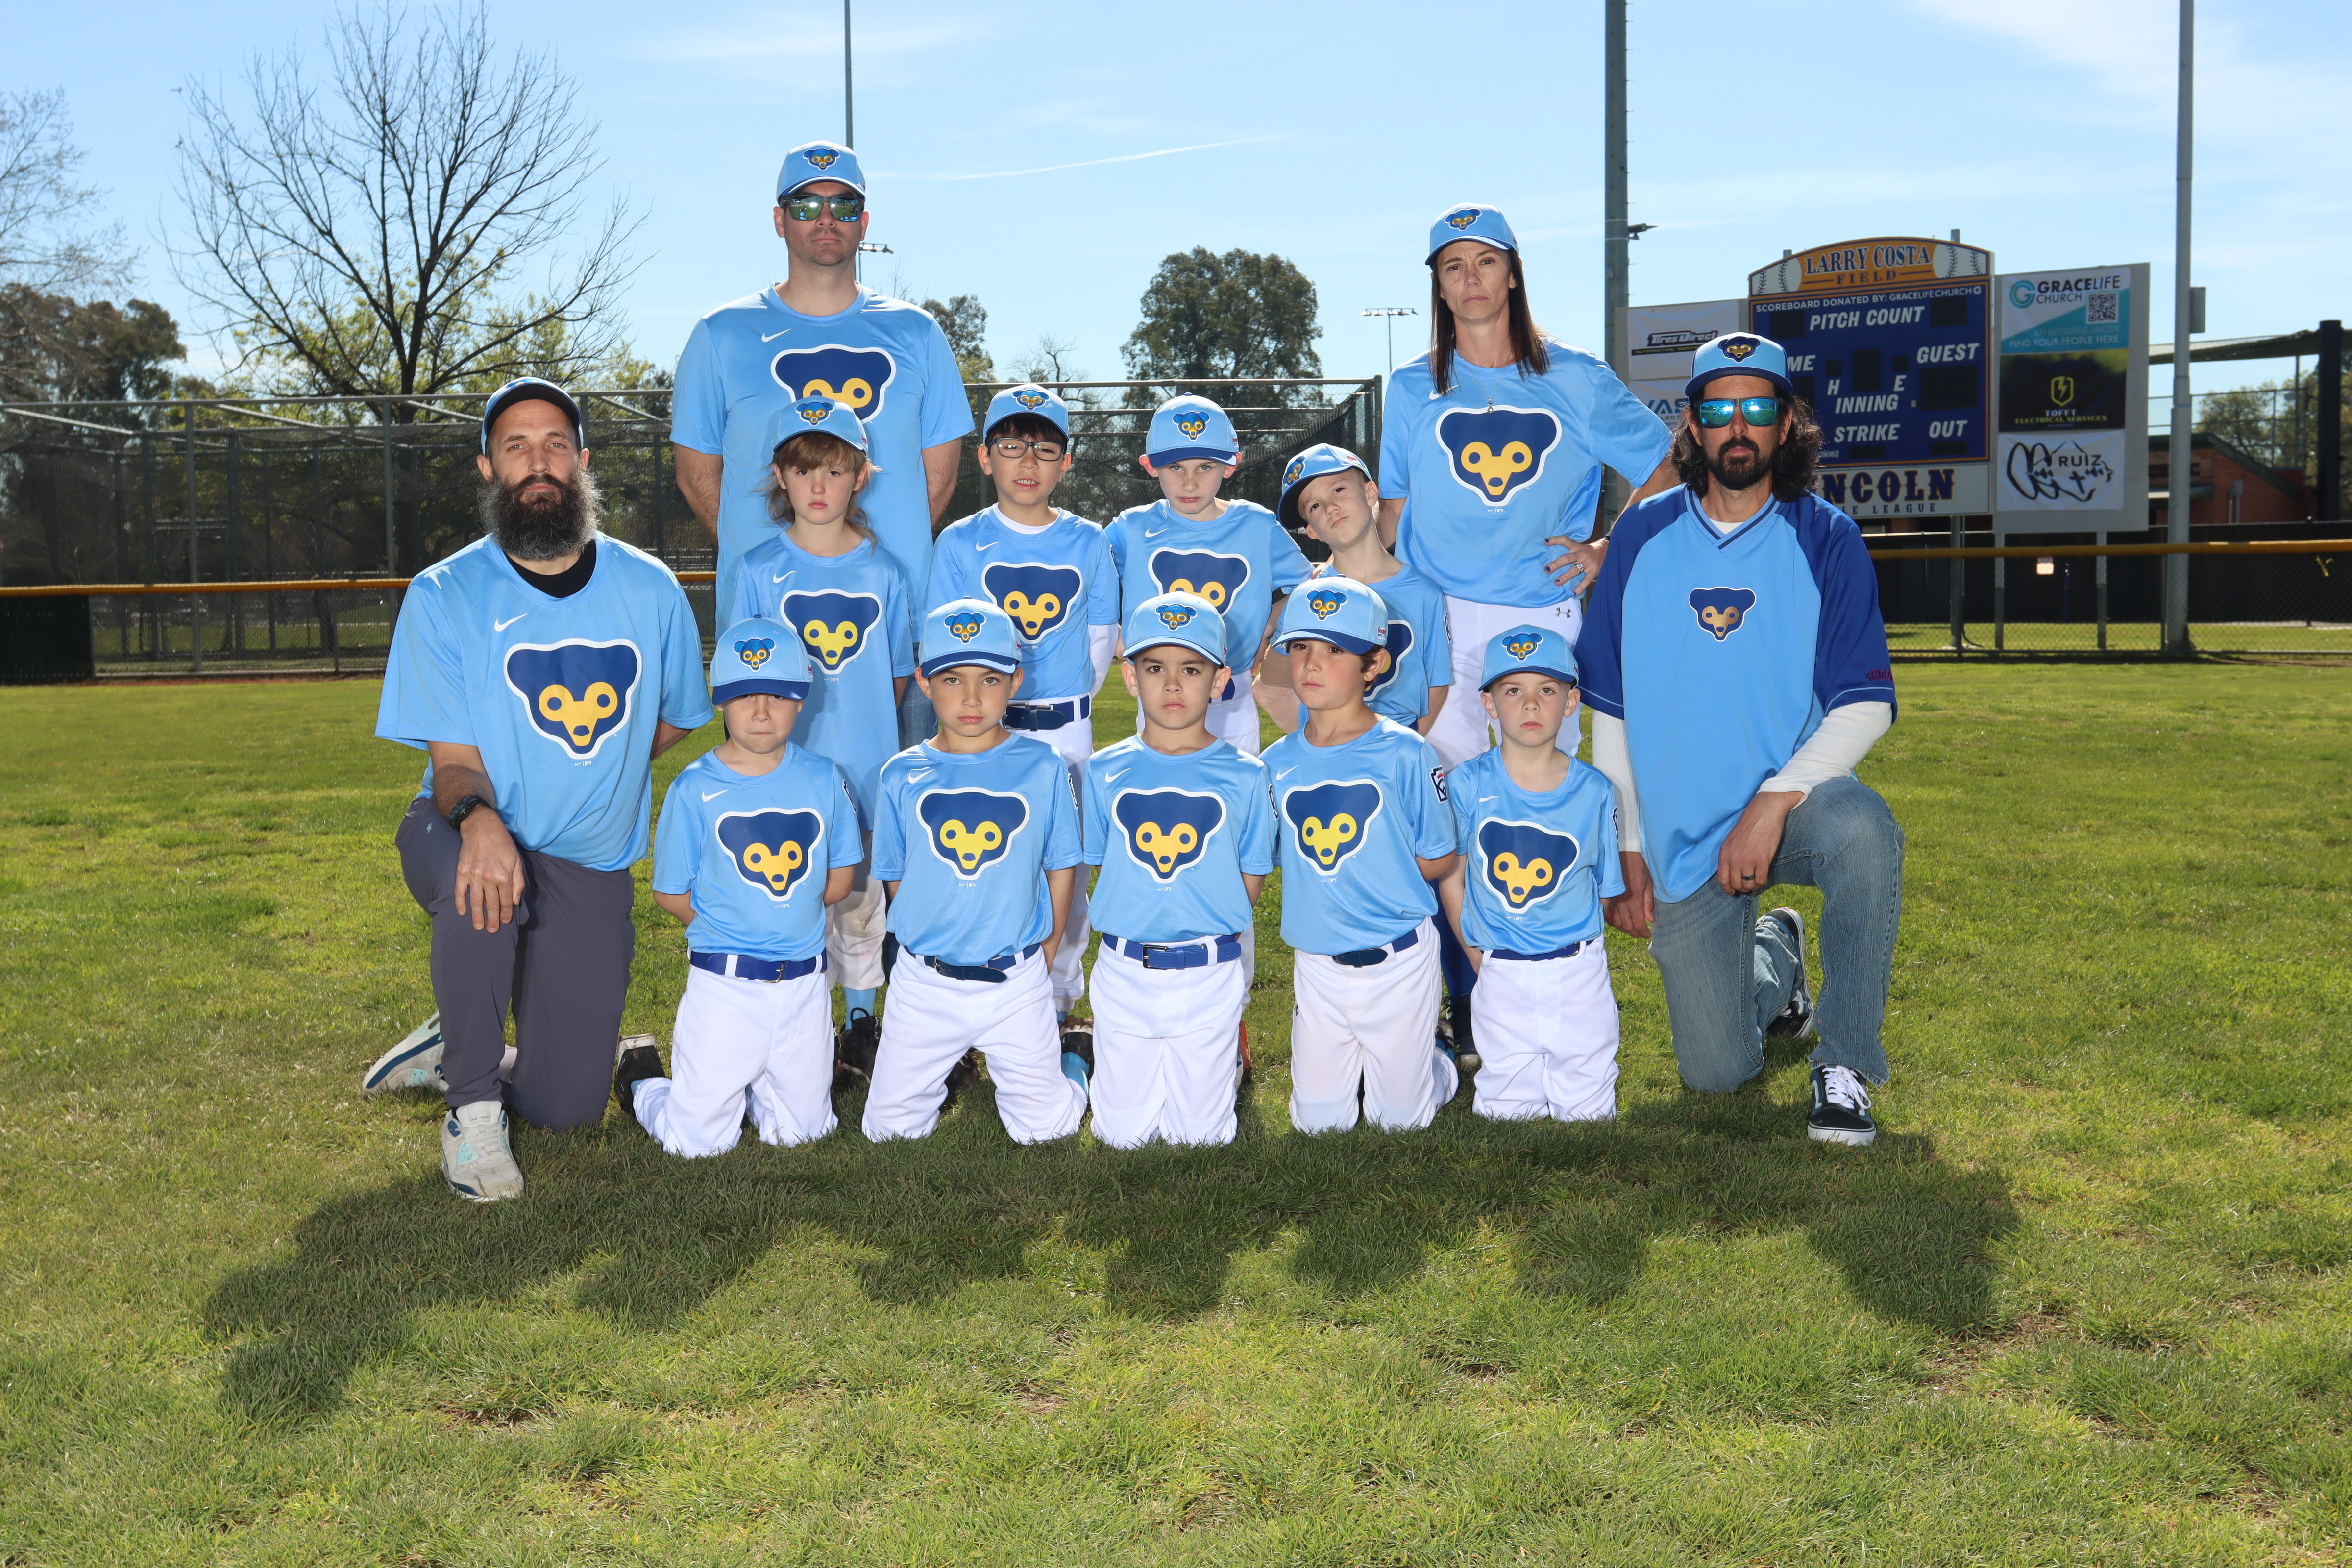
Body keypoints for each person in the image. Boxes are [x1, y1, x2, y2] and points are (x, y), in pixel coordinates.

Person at [369, 378, 710, 1200]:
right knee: (481, 884)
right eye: (516, 447)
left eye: (555, 444)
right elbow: (454, 762)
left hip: (588, 858)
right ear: (489, 467)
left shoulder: (650, 587)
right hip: (460, 826)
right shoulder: (445, 592)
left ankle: (455, 1040)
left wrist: (603, 769)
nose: (539, 462)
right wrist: (480, 820)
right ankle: (473, 1108)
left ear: (582, 460)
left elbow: (675, 716)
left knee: (568, 1107)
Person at [1581, 331, 1903, 1146]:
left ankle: (1845, 1062)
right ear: (1691, 426)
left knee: (1864, 831)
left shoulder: (1826, 538)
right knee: (1717, 1071)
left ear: (1787, 423)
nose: (1738, 427)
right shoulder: (1642, 535)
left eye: (1757, 408)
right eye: (1718, 409)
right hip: (1684, 835)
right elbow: (1610, 704)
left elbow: (1866, 703)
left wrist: (1773, 799)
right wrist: (1627, 844)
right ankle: (1777, 956)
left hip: (1790, 811)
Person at [671, 138, 973, 744]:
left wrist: (860, 562)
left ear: (865, 221)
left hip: (897, 630)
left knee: (900, 801)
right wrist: (786, 561)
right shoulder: (721, 334)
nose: (826, 218)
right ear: (779, 219)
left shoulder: (917, 333)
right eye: (806, 205)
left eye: (844, 204)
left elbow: (937, 479)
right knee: (776, 805)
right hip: (768, 637)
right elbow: (697, 476)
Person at [1377, 202, 1678, 768]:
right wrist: (1338, 567)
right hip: (1435, 613)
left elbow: (1668, 466)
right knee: (1441, 783)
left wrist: (1605, 550)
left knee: (1543, 786)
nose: (1471, 277)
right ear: (1439, 286)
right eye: (1454, 266)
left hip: (1539, 609)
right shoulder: (1412, 385)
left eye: (1486, 261)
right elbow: (1393, 510)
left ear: (1513, 274)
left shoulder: (1577, 377)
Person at [616, 619, 865, 1155]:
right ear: (721, 701)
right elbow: (669, 892)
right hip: (725, 987)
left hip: (803, 986)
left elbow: (840, 879)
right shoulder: (694, 788)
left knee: (803, 1134)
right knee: (697, 1144)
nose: (761, 711)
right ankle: (643, 1082)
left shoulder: (825, 778)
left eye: (778, 695)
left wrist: (780, 907)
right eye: (745, 695)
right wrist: (736, 920)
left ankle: (755, 1087)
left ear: (801, 700)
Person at [723, 395, 914, 1080]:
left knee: (860, 902)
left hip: (865, 768)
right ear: (780, 476)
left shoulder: (886, 572)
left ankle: (860, 1023)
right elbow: (742, 680)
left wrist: (864, 735)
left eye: (835, 470)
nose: (819, 486)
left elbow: (896, 676)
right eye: (803, 470)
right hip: (787, 769)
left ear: (860, 476)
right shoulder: (757, 570)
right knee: (790, 896)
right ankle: (798, 1025)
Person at [860, 599, 1089, 1144]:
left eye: (989, 679)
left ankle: (1077, 1060)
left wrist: (1049, 948)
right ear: (924, 681)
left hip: (1014, 977)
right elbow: (897, 877)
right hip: (925, 981)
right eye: (952, 679)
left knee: (1046, 1131)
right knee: (889, 1131)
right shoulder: (900, 774)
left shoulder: (1042, 766)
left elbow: (1061, 865)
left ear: (1015, 682)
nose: (970, 697)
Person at [927, 384, 1118, 1022]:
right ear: (985, 458)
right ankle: (977, 999)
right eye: (1011, 446)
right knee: (985, 861)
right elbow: (945, 650)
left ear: (1066, 463)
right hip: (985, 729)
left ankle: (1059, 1003)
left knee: (1069, 867)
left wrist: (1059, 703)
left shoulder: (1089, 541)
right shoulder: (960, 542)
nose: (1028, 462)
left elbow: (1098, 645)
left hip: (1066, 732)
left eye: (1045, 449)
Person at [1262, 577, 1462, 1133]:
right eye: (1301, 647)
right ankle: (1380, 1067)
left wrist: (1376, 870)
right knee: (1318, 1125)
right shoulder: (1275, 763)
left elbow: (1439, 859)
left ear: (1374, 664)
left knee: (1400, 1122)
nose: (1312, 664)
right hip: (1318, 962)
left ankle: (1439, 1061)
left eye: (1335, 650)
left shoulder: (1407, 752)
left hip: (1398, 958)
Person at [1081, 592, 1275, 1149]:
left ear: (1219, 681)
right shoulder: (1103, 769)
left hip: (1208, 970)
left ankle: (1225, 1056)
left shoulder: (1246, 774)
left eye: (1191, 669)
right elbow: (1101, 865)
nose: (1172, 685)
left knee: (1202, 1137)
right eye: (1154, 668)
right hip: (1125, 969)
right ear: (1130, 677)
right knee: (1121, 1136)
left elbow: (1250, 880)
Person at [1435, 626, 1624, 1123]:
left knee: (1588, 1112)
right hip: (1500, 966)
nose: (1531, 704)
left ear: (1571, 701)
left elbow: (1603, 889)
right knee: (1506, 1110)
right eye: (1513, 690)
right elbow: (1453, 878)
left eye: (1548, 689)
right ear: (1489, 704)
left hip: (1577, 971)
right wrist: (1477, 955)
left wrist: (1576, 954)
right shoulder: (1466, 785)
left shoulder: (1595, 790)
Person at [1106, 393, 1310, 755]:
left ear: (1230, 465)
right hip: (1159, 697)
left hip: (1232, 698)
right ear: (1151, 466)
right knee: (1163, 787)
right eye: (1175, 467)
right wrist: (1116, 636)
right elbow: (1088, 583)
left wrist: (1269, 624)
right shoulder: (1132, 528)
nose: (1190, 482)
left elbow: (1308, 588)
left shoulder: (1257, 525)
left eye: (1205, 467)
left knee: (1237, 787)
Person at [1258, 443, 1452, 737]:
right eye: (1314, 506)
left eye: (1338, 490)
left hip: (1396, 745)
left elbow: (1436, 685)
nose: (1330, 508)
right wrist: (1320, 742)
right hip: (1328, 747)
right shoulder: (1308, 599)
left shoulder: (1424, 593)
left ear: (1371, 493)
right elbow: (1270, 688)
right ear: (1312, 530)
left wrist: (1407, 746)